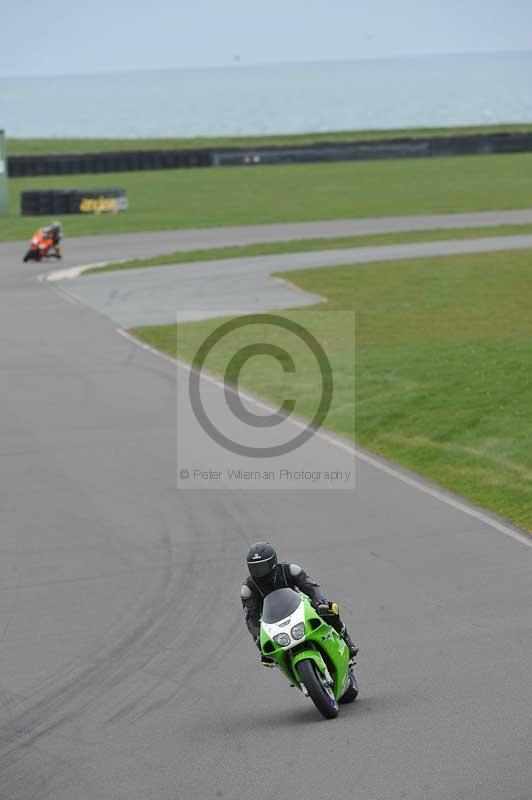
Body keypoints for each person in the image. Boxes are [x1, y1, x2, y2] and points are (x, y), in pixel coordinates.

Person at [241, 542, 358, 663]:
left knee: (330, 608)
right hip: (272, 621)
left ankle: (346, 640)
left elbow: (310, 586)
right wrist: (259, 636)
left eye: (262, 567)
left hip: (297, 608)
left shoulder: (290, 570)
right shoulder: (248, 589)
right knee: (261, 643)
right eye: (255, 568)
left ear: (273, 562)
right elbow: (251, 617)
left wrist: (319, 603)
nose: (259, 572)